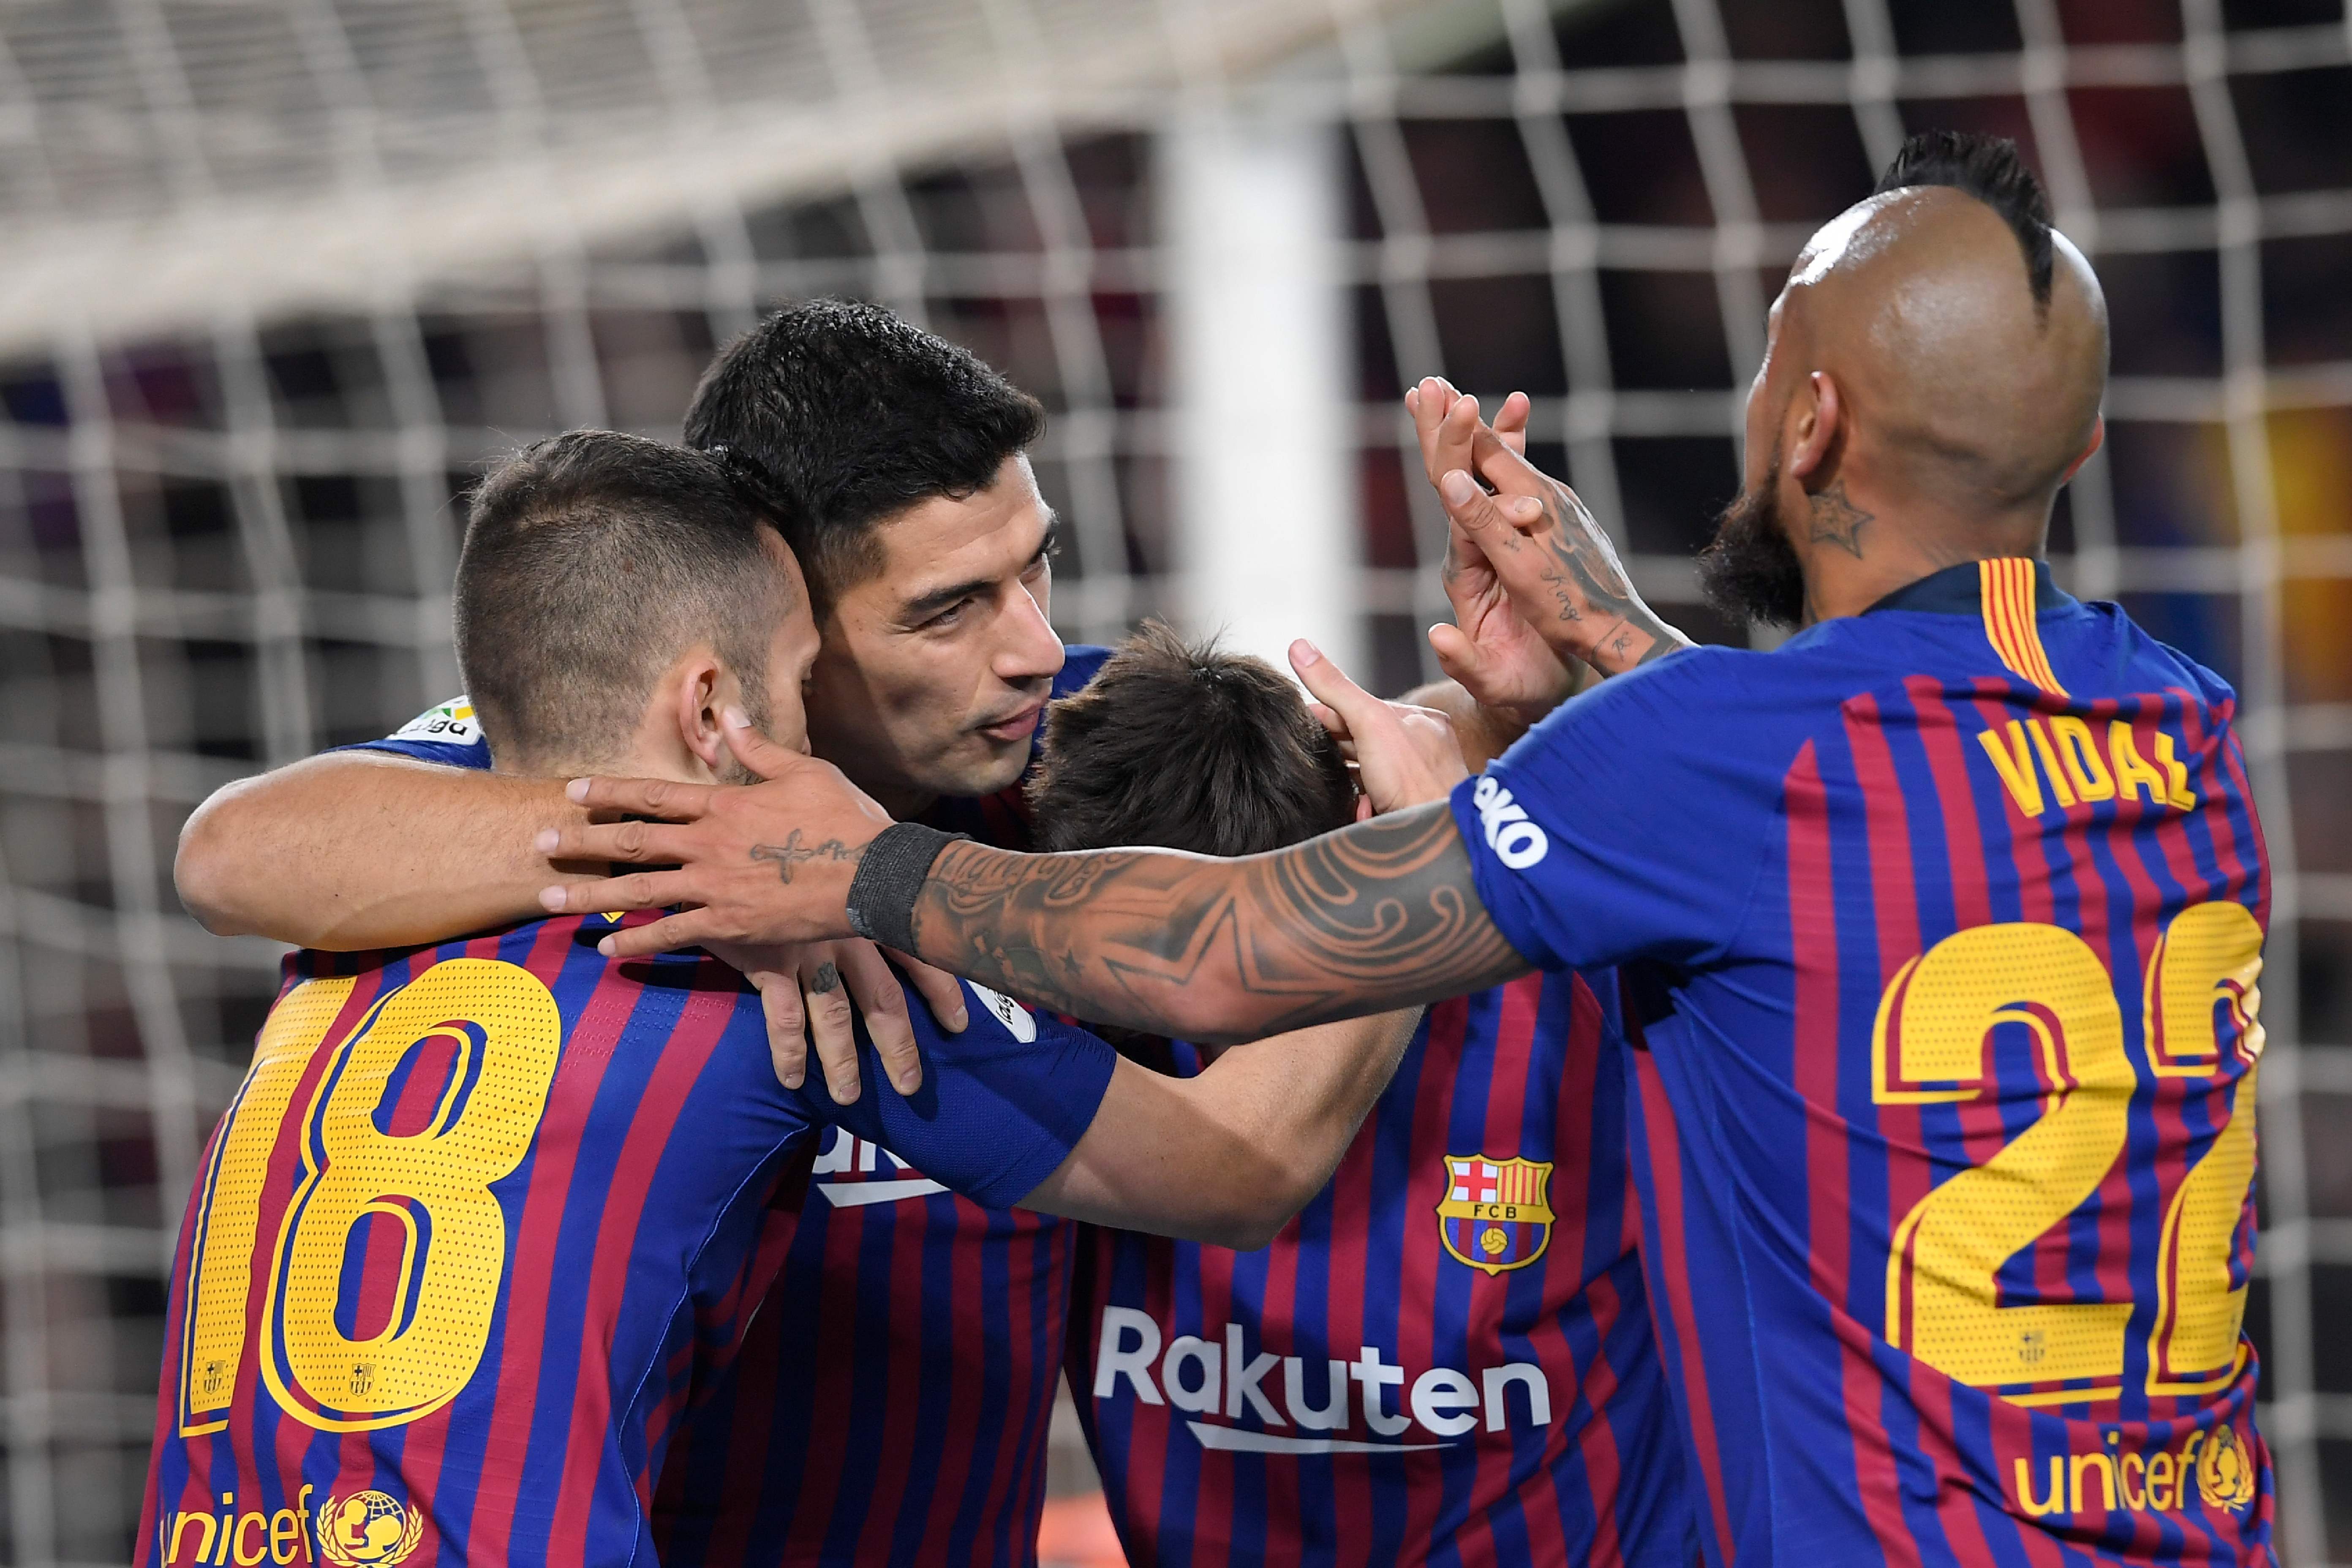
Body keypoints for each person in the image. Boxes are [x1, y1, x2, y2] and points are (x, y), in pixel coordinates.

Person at [550, 133, 2276, 1568]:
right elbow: (1859, 805)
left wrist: (868, 869)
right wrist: (1608, 648)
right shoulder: (2185, 738)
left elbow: (1221, 960)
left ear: (1810, 419)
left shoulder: (1705, 765)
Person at [140, 431, 1421, 1568]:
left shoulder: (354, 925)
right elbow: (1238, 1163)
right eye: (805, 679)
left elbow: (224, 850)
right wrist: (1428, 846)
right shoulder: (768, 952)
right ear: (711, 706)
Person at [170, 304, 1112, 1568]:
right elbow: (230, 849)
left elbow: (1327, 784)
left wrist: (1465, 722)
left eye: (1037, 566)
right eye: (948, 610)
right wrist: (703, 850)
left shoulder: (1084, 760)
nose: (1033, 649)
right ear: (766, 630)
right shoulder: (533, 793)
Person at [1024, 624, 1688, 1567]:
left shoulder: (1578, 973)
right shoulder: (1059, 1041)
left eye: (1257, 968)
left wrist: (1517, 713)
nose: (1209, 1010)